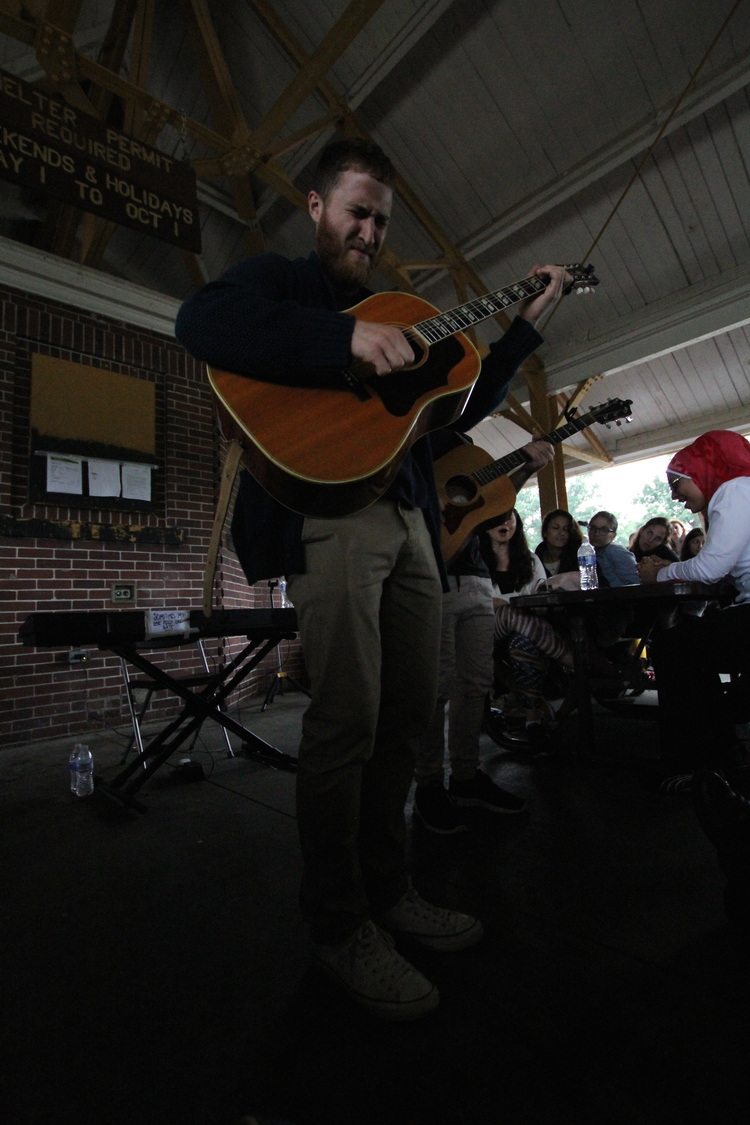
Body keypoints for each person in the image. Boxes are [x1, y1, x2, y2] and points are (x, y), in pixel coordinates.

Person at [175, 137, 571, 1020]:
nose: (369, 230)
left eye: (382, 220)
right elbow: (200, 322)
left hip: (408, 521)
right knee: (348, 718)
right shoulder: (281, 284)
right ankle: (338, 923)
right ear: (316, 207)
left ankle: (388, 892)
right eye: (357, 211)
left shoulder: (402, 311)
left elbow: (457, 402)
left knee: (406, 716)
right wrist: (343, 335)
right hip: (328, 517)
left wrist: (525, 330)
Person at [413, 437, 554, 834]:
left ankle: (466, 776)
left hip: (477, 581)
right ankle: (427, 783)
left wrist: (525, 468)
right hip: (432, 576)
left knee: (476, 684)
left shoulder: (461, 443)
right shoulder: (415, 439)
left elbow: (492, 504)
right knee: (435, 686)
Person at [637, 431, 750, 790]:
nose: (674, 495)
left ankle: (701, 761)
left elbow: (710, 568)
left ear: (703, 467)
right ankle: (722, 749)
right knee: (688, 644)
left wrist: (659, 573)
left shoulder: (735, 489)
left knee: (672, 646)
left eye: (676, 482)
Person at [482, 511, 572, 754]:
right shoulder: (476, 560)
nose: (504, 523)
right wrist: (513, 603)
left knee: (522, 643)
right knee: (512, 612)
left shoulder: (530, 559)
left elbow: (541, 602)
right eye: (497, 518)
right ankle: (574, 661)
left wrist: (528, 601)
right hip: (485, 632)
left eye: (509, 518)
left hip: (527, 631)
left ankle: (532, 720)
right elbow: (480, 602)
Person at [587, 511, 639, 586]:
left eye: (603, 530)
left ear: (613, 535)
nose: (596, 533)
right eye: (593, 528)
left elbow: (635, 583)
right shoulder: (591, 552)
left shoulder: (616, 551)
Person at [535, 508, 583, 576]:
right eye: (555, 528)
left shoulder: (580, 556)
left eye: (566, 529)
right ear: (545, 532)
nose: (562, 533)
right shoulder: (536, 558)